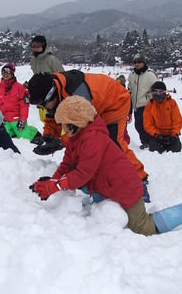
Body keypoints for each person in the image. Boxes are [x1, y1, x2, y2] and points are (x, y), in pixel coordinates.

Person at [29, 96, 182, 236]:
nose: (63, 128)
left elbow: (83, 173)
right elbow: (67, 164)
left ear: (76, 123)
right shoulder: (76, 137)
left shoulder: (93, 139)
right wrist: (52, 182)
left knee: (142, 227)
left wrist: (54, 186)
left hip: (125, 188)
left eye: (65, 125)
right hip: (106, 187)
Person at [28, 69, 148, 185]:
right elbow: (52, 116)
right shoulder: (53, 90)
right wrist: (48, 137)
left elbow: (83, 130)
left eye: (44, 104)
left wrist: (60, 143)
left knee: (112, 144)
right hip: (96, 104)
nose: (44, 108)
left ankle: (138, 177)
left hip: (115, 102)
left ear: (51, 94)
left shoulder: (77, 93)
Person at [0, 63, 42, 144]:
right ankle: (13, 132)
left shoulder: (20, 88)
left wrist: (22, 120)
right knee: (2, 136)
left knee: (24, 137)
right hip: (4, 120)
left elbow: (24, 106)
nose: (5, 74)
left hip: (16, 119)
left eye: (7, 72)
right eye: (3, 72)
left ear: (12, 73)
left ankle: (34, 132)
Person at [30, 35, 64, 123]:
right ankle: (49, 135)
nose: (35, 48)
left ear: (44, 45)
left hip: (53, 96)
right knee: (44, 119)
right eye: (33, 45)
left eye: (38, 45)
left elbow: (62, 76)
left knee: (57, 119)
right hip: (41, 96)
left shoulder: (51, 59)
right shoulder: (33, 60)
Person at [128, 53, 157, 149]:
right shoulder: (132, 75)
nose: (137, 64)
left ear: (144, 63)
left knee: (147, 125)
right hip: (136, 105)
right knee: (138, 125)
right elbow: (130, 90)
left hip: (146, 105)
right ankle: (145, 142)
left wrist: (148, 99)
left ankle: (150, 142)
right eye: (135, 62)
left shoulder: (150, 75)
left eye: (139, 62)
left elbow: (156, 90)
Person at [143, 81, 182, 153]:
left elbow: (177, 121)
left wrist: (174, 134)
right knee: (155, 150)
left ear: (164, 92)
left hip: (171, 135)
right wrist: (156, 134)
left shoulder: (171, 103)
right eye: (155, 92)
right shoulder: (150, 106)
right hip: (157, 136)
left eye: (160, 92)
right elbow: (147, 124)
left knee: (176, 149)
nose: (158, 94)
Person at [116, 74, 131, 145]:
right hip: (116, 112)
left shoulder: (126, 93)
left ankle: (124, 141)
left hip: (123, 113)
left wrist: (130, 113)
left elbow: (129, 103)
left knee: (123, 128)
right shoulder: (114, 92)